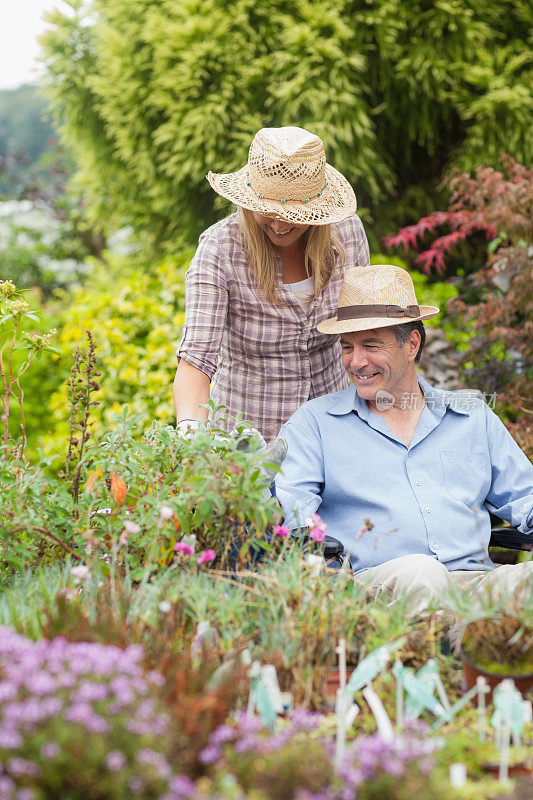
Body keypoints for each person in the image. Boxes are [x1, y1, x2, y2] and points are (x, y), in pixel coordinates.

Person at [275, 264, 533, 615]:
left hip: (476, 585)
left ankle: (483, 655)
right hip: (379, 589)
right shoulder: (316, 423)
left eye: (370, 345)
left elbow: (525, 496)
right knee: (423, 574)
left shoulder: (472, 417)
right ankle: (450, 661)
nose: (356, 361)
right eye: (347, 347)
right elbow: (290, 512)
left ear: (411, 344)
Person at [173, 126, 369, 442]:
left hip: (333, 428)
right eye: (267, 210)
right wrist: (192, 432)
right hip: (246, 439)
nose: (278, 225)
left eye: (293, 214)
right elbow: (197, 359)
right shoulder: (220, 249)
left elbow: (364, 327)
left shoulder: (346, 233)